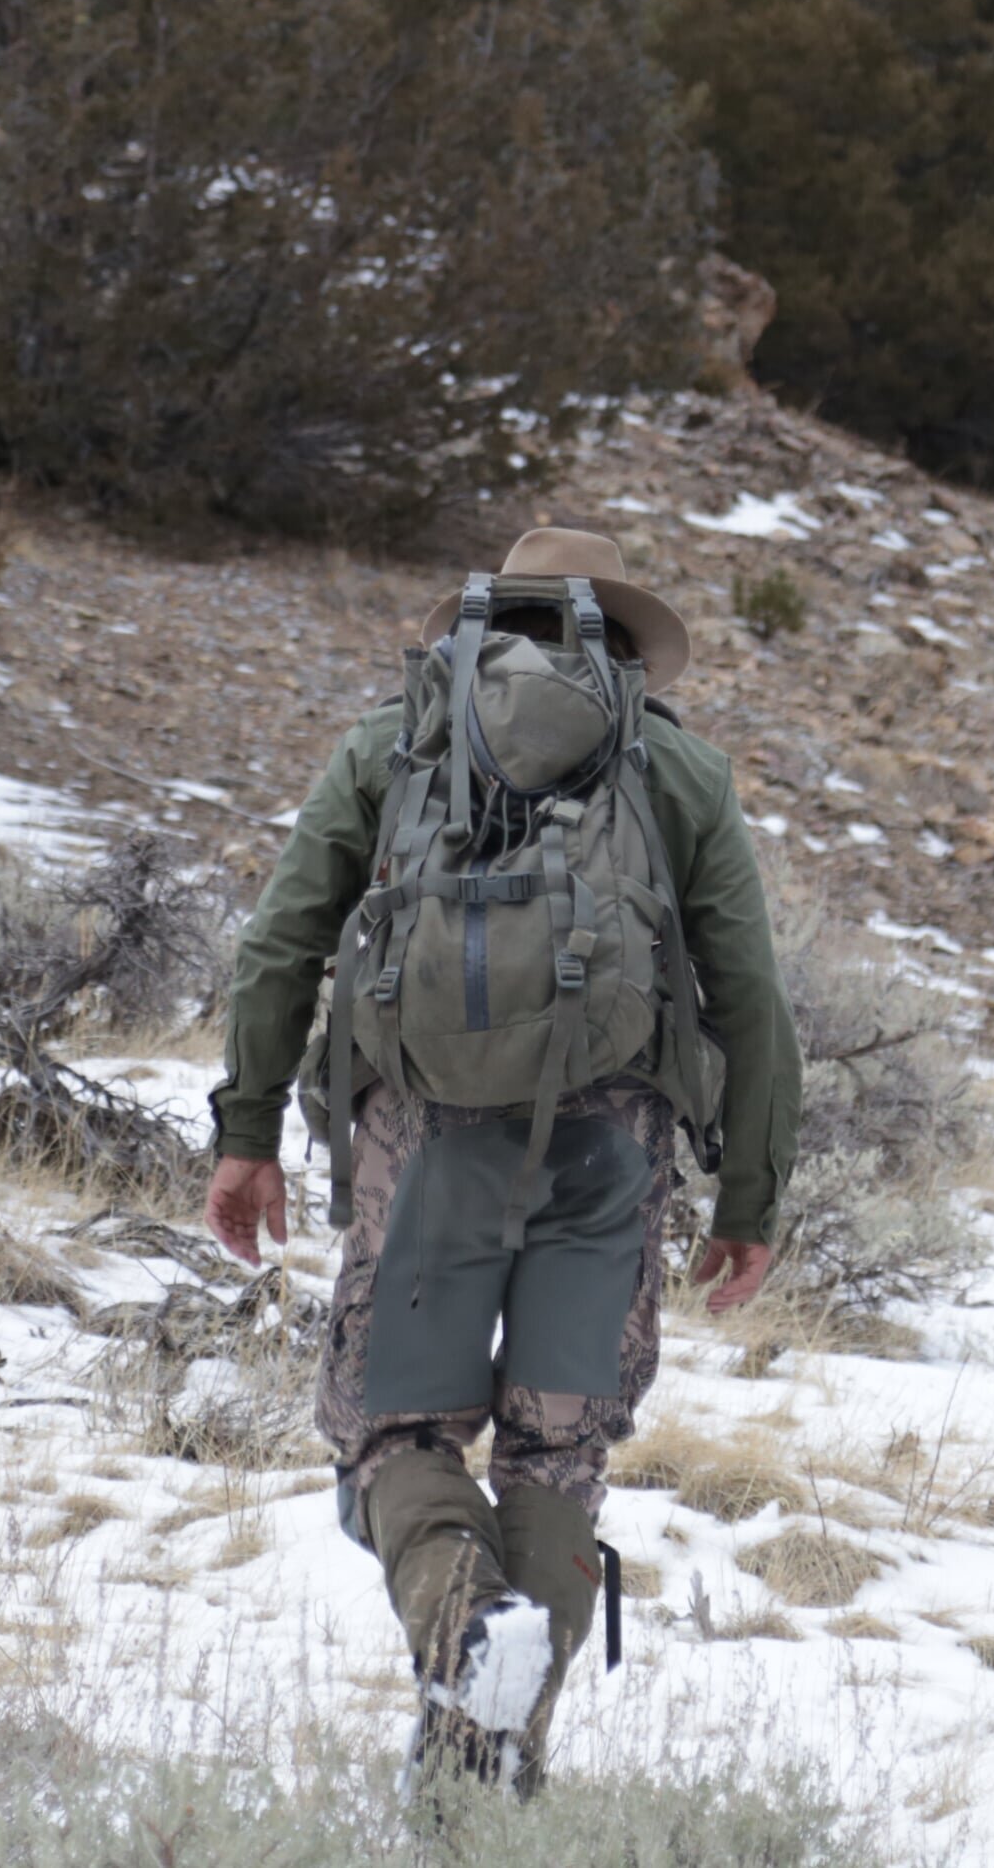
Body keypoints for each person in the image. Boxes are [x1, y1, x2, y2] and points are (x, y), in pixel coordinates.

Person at [203, 525, 800, 1794]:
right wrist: (748, 1193)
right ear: (618, 640)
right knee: (557, 1455)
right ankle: (487, 1776)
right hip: (614, 1144)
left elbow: (282, 944)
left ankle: (469, 1631)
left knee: (394, 1434)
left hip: (427, 1136)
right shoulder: (675, 765)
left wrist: (247, 1131)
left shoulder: (394, 740)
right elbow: (748, 996)